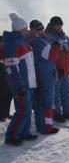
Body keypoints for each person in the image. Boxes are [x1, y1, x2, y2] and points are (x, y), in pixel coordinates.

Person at [2, 13, 38, 146]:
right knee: (23, 109)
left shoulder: (22, 40)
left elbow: (31, 36)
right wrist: (19, 85)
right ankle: (12, 135)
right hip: (21, 83)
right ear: (20, 29)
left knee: (26, 109)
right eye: (25, 28)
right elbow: (11, 67)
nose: (27, 30)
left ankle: (24, 132)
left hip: (27, 82)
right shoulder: (13, 44)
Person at [44, 16, 69, 122]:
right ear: (52, 25)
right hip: (56, 69)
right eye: (57, 25)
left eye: (61, 25)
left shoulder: (64, 36)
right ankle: (57, 113)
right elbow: (49, 55)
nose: (60, 27)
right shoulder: (47, 37)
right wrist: (54, 67)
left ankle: (68, 112)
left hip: (65, 68)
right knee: (55, 93)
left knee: (66, 91)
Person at [28, 20, 60, 134]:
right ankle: (47, 127)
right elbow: (51, 56)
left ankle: (41, 125)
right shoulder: (39, 42)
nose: (42, 30)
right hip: (45, 73)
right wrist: (56, 47)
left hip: (37, 73)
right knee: (47, 101)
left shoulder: (29, 39)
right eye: (40, 28)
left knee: (39, 101)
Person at [0, 35, 13, 122]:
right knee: (3, 93)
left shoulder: (4, 42)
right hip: (2, 69)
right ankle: (2, 114)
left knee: (9, 92)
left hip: (6, 69)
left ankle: (6, 113)